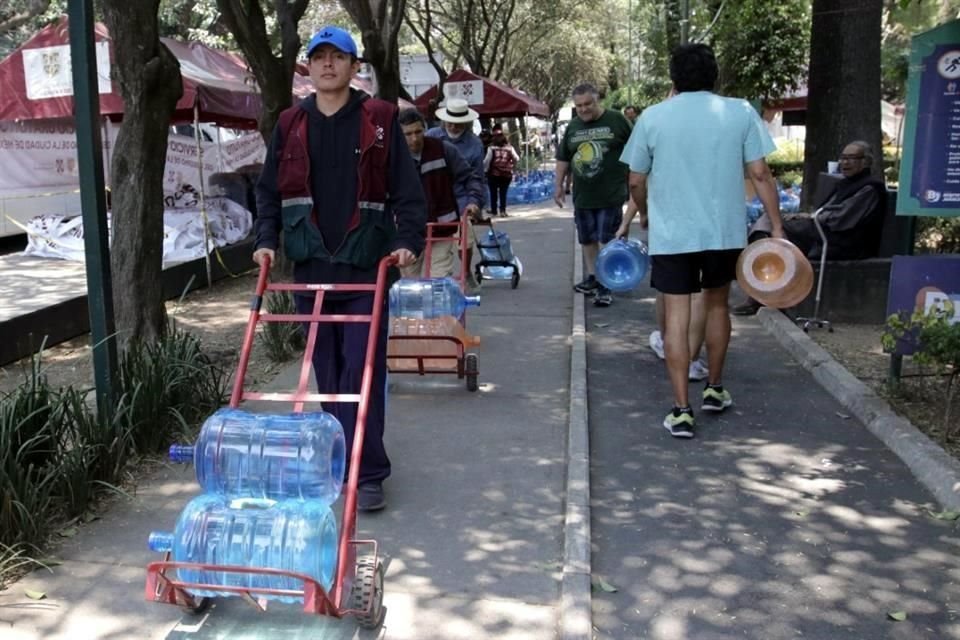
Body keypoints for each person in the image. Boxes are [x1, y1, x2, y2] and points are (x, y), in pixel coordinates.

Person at [253, 26, 427, 511]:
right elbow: (268, 193)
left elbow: (407, 193)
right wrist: (266, 242)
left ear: (354, 67)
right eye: (319, 57)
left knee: (362, 374)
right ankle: (338, 460)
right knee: (327, 375)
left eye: (339, 57)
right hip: (309, 269)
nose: (328, 64)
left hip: (365, 271)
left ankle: (368, 473)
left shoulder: (380, 119)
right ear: (307, 67)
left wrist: (406, 242)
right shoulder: (290, 122)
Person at [618, 43, 784, 438]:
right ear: (716, 76)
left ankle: (680, 410)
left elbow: (636, 180)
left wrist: (644, 213)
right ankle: (714, 388)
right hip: (723, 231)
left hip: (672, 234)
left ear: (674, 78)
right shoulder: (740, 112)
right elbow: (760, 173)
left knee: (676, 318)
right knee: (715, 306)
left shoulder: (653, 118)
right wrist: (776, 225)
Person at [733, 140, 888, 315]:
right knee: (769, 223)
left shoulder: (870, 188)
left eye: (851, 158)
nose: (845, 163)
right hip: (823, 231)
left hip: (844, 240)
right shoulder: (845, 183)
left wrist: (810, 218)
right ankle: (761, 292)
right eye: (843, 158)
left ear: (865, 161)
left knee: (777, 230)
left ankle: (761, 295)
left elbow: (840, 219)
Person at [554, 83, 633, 308]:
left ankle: (607, 283)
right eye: (579, 105)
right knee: (587, 239)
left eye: (588, 104)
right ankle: (593, 277)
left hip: (611, 195)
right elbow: (563, 158)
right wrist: (558, 186)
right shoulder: (573, 127)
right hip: (584, 196)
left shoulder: (617, 120)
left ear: (597, 100)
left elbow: (637, 149)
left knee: (607, 239)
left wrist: (636, 183)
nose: (584, 109)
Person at [398, 108, 484, 278]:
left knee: (437, 282)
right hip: (408, 232)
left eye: (418, 132)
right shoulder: (393, 156)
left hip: (441, 228)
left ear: (424, 130)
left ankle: (465, 275)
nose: (414, 138)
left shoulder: (443, 149)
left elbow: (471, 177)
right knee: (410, 286)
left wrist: (473, 201)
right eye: (408, 134)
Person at [427, 98, 486, 291]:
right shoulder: (431, 136)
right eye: (449, 121)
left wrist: (476, 202)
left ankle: (465, 271)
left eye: (457, 122)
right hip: (433, 196)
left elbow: (476, 176)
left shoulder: (474, 144)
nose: (452, 125)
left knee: (465, 240)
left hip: (459, 198)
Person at [484, 126, 520, 218]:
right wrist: (511, 164)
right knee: (503, 193)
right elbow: (517, 158)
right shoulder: (510, 148)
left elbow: (487, 161)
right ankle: (503, 211)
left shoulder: (491, 148)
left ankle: (494, 210)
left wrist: (486, 170)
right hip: (506, 174)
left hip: (494, 174)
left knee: (493, 193)